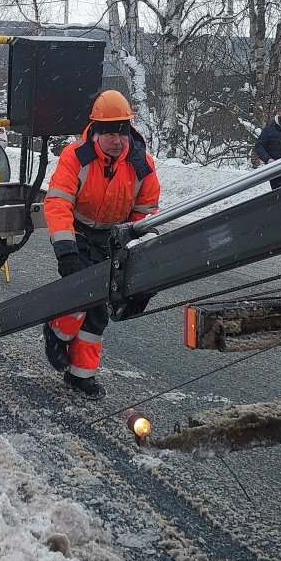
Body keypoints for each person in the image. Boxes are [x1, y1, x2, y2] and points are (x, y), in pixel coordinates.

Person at [42, 89, 161, 399]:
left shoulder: (141, 164)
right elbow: (57, 203)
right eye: (109, 131)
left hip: (112, 237)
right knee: (79, 295)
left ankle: (81, 376)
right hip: (79, 232)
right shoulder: (75, 156)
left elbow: (146, 215)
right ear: (95, 130)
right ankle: (56, 333)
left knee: (98, 312)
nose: (116, 139)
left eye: (122, 130)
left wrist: (142, 254)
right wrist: (66, 251)